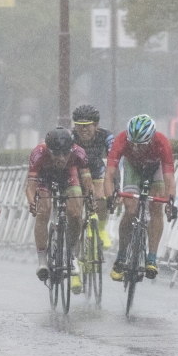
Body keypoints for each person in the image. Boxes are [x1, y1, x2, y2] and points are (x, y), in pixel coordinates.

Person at [104, 114, 177, 281]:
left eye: (141, 145)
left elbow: (169, 180)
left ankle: (151, 257)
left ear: (151, 139)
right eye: (133, 144)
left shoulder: (162, 143)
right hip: (133, 168)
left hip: (154, 169)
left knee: (156, 205)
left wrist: (170, 202)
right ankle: (121, 257)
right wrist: (110, 197)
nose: (136, 148)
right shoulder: (122, 140)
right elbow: (109, 175)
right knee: (130, 209)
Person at [26, 127, 94, 293]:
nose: (61, 158)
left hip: (69, 177)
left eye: (65, 154)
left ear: (71, 150)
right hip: (45, 177)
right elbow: (30, 187)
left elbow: (87, 182)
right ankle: (42, 259)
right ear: (49, 150)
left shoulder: (79, 153)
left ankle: (71, 255)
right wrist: (31, 201)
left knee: (76, 213)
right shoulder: (38, 153)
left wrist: (90, 198)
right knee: (43, 212)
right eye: (56, 154)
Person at [71, 104, 115, 249]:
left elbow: (114, 162)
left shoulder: (106, 136)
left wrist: (116, 188)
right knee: (74, 211)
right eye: (80, 126)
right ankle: (73, 247)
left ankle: (101, 229)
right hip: (75, 174)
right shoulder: (70, 137)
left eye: (87, 126)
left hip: (96, 171)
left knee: (101, 196)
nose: (83, 130)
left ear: (96, 125)